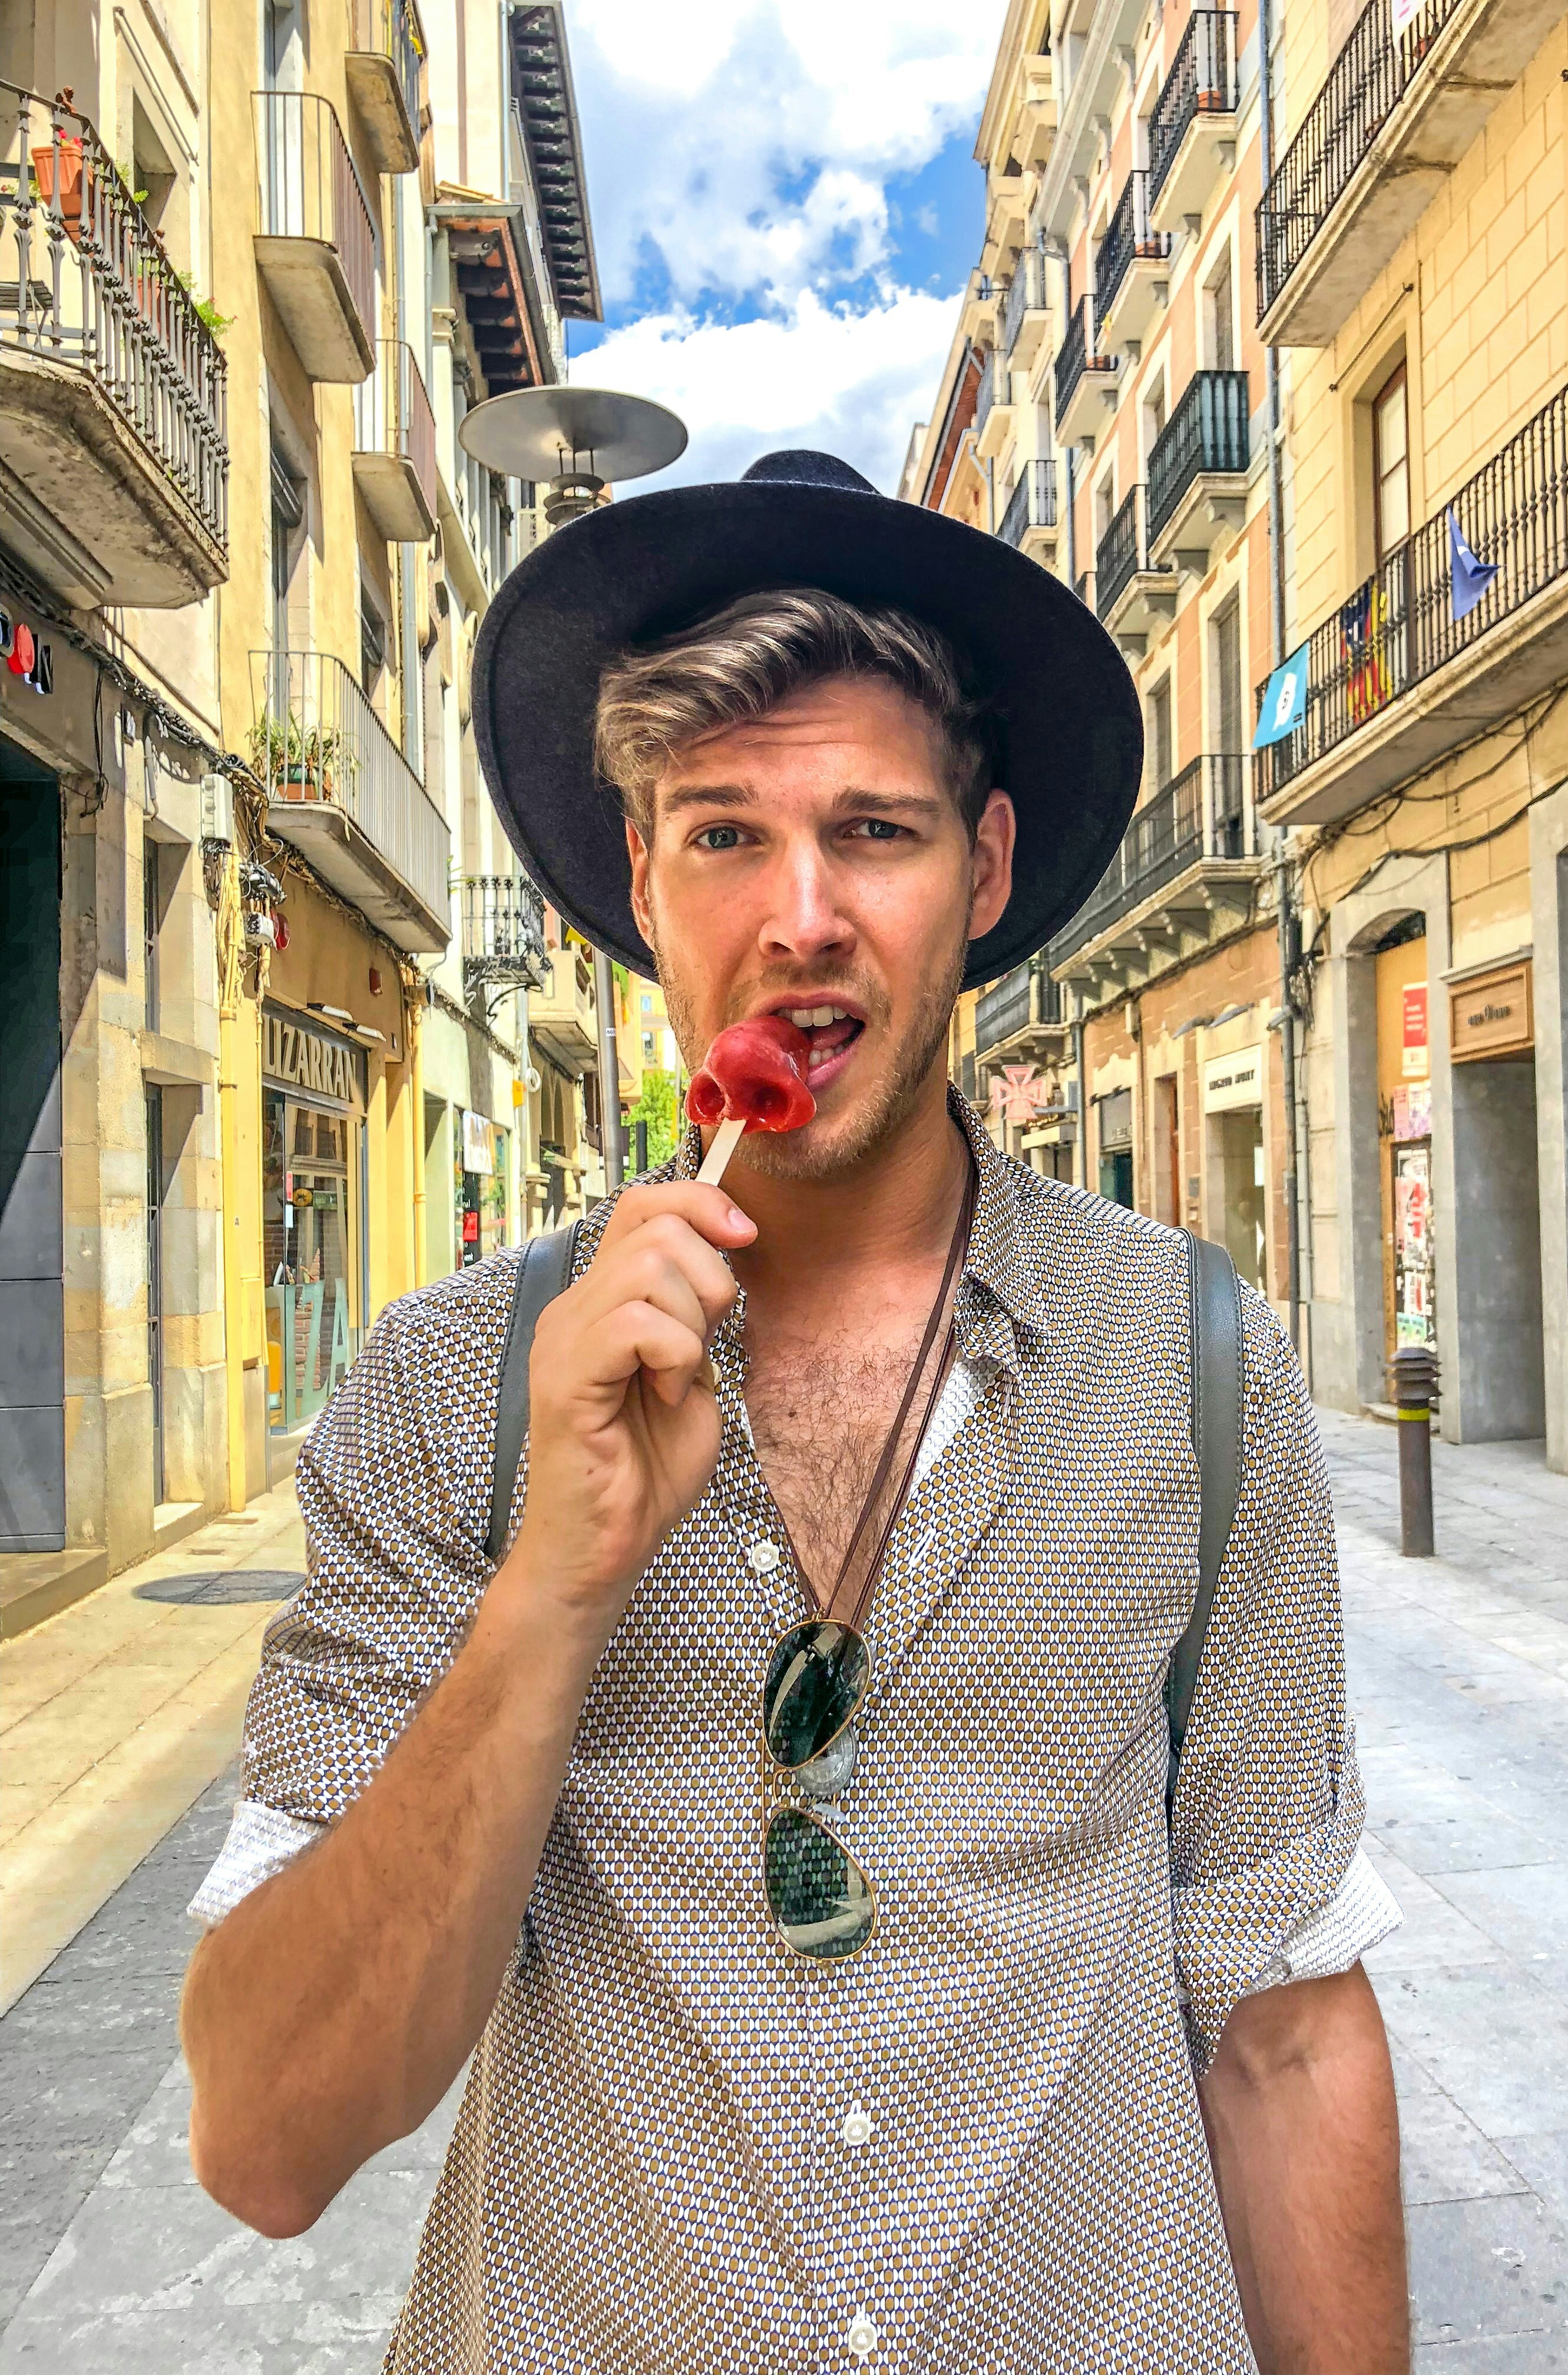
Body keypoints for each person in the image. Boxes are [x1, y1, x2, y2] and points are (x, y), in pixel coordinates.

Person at [181, 452, 1410, 2374]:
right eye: (725, 836)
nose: (805, 916)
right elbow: (266, 2137)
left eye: (876, 831)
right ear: (640, 887)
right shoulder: (444, 1393)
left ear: (985, 871)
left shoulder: (1195, 1364)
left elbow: (1286, 2017)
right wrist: (553, 1586)